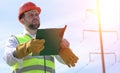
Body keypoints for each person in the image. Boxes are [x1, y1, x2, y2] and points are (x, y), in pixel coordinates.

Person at [3, 2, 79, 73]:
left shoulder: (49, 38)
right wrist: (25, 48)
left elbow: (63, 61)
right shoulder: (15, 39)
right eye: (31, 15)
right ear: (22, 20)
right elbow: (8, 59)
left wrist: (63, 48)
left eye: (36, 14)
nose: (35, 17)